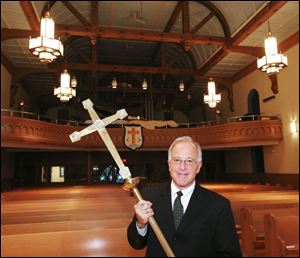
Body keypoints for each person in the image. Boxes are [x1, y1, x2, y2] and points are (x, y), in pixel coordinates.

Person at [127, 136, 242, 257]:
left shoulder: (219, 205)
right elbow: (136, 243)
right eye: (177, 160)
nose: (182, 167)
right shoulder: (149, 196)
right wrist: (140, 224)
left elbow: (230, 254)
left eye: (189, 161)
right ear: (169, 165)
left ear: (198, 166)